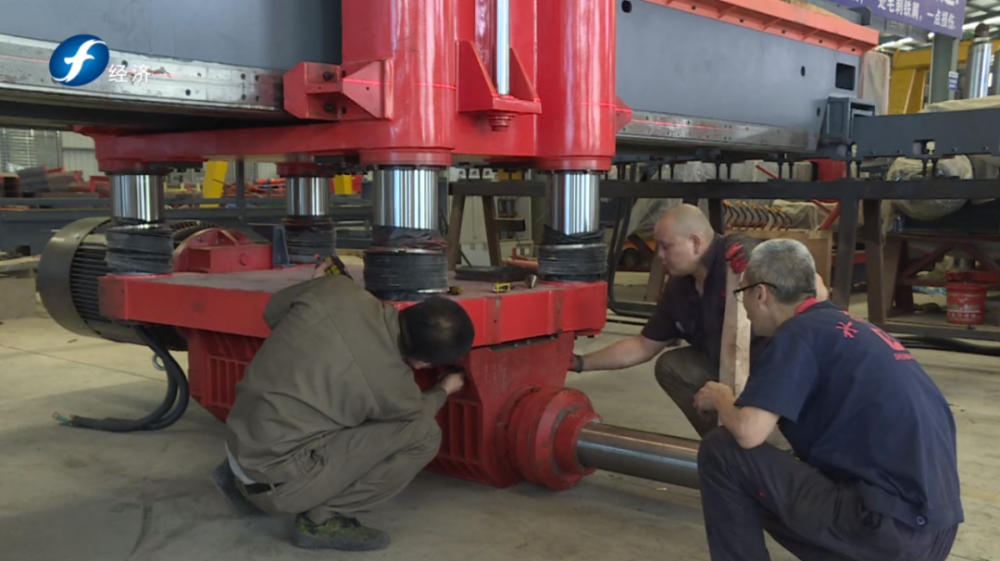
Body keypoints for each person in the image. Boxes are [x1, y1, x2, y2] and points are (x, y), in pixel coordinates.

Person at [692, 239, 962, 561]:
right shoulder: (859, 331)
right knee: (793, 468)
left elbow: (750, 432)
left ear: (761, 294)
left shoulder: (797, 333)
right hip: (934, 533)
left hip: (886, 527)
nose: (746, 308)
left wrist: (723, 398)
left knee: (723, 452)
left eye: (743, 294)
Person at [212, 257, 474, 552]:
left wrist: (318, 285)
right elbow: (416, 415)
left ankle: (238, 481)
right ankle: (321, 520)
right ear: (423, 363)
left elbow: (273, 313)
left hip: (237, 441)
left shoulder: (335, 289)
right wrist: (443, 389)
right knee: (425, 435)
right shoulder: (394, 387)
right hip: (276, 485)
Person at [569, 204, 827, 437]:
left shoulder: (739, 255)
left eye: (666, 246)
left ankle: (770, 447)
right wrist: (580, 362)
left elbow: (816, 289)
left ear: (695, 242)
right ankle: (723, 445)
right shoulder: (680, 287)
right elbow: (641, 346)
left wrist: (757, 261)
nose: (659, 255)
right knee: (672, 365)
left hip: (774, 373)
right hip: (730, 376)